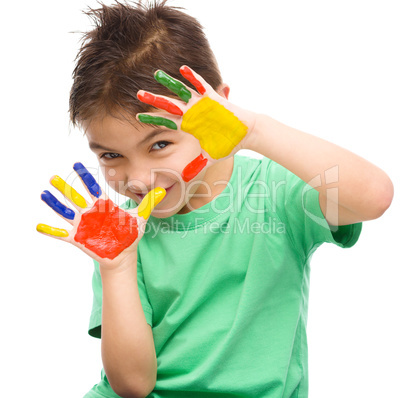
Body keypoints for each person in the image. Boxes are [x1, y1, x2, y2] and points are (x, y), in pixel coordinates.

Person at [37, 1, 394, 397]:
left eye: (159, 144)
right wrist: (117, 267)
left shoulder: (274, 193)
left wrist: (254, 130)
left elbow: (375, 197)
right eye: (110, 155)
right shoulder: (120, 231)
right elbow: (132, 385)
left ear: (218, 107)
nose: (138, 179)